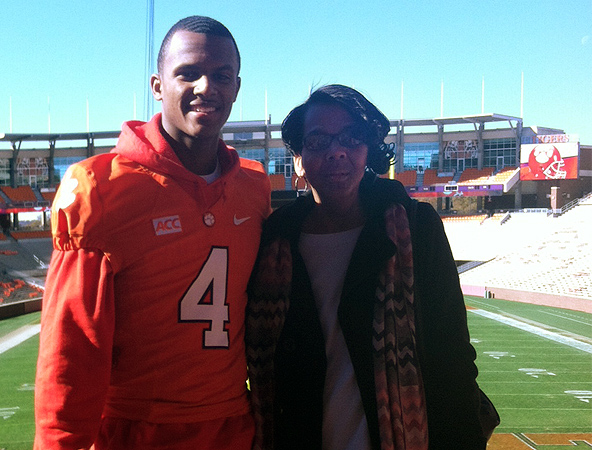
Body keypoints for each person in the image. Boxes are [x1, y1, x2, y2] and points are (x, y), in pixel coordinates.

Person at [34, 16, 271, 450]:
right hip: (136, 432)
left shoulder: (253, 187)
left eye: (221, 75)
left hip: (234, 428)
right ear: (158, 85)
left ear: (237, 86)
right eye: (188, 73)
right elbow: (70, 355)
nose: (206, 87)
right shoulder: (102, 190)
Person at [246, 84, 488, 449]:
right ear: (297, 159)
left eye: (351, 138)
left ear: (369, 149)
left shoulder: (415, 226)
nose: (337, 152)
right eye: (318, 141)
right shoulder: (275, 240)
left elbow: (452, 354)